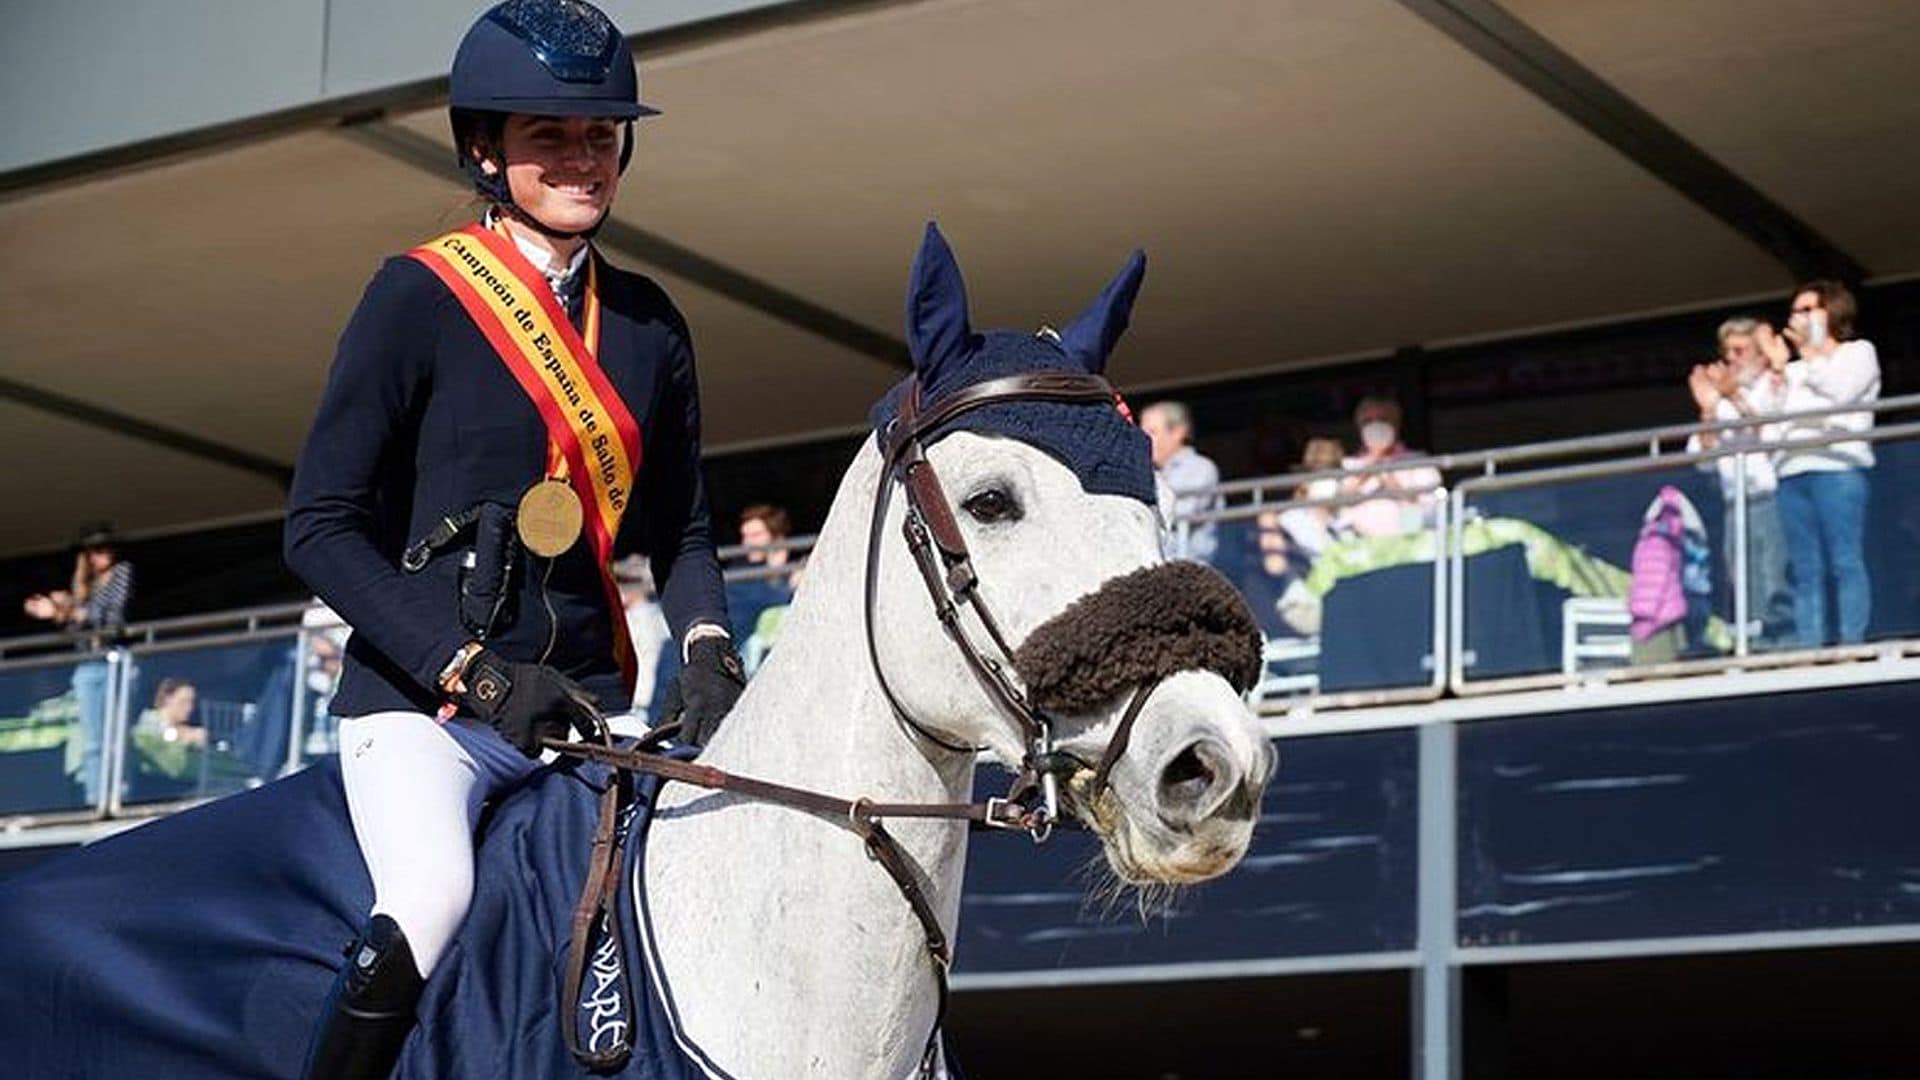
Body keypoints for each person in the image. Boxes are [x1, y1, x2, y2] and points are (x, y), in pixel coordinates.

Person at [280, 3, 744, 1075]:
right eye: (553, 135)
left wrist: (712, 644)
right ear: (484, 149)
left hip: (582, 709)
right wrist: (473, 676)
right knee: (431, 899)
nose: (586, 157)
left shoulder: (648, 323)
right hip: (425, 714)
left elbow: (680, 528)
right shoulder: (417, 296)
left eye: (601, 136)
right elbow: (318, 528)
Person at [1760, 280, 1880, 647]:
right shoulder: (1792, 371)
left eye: (1807, 309)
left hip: (1838, 469)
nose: (1798, 318)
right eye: (1795, 311)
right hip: (1791, 473)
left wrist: (1810, 355)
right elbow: (1768, 422)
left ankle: (1850, 642)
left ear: (1832, 311)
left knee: (1845, 560)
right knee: (1804, 568)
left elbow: (1842, 394)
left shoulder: (1858, 353)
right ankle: (1809, 646)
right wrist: (1779, 372)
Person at [1686, 318, 1793, 644]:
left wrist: (1734, 397)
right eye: (1727, 352)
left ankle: (1785, 648)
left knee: (1775, 580)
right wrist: (1708, 412)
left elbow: (1771, 434)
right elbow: (1701, 459)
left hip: (1771, 498)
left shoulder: (1775, 386)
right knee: (1743, 584)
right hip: (1735, 504)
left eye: (1740, 350)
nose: (1732, 359)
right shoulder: (1722, 401)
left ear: (1761, 356)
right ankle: (1757, 651)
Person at [22, 524, 133, 807]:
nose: (100, 555)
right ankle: (96, 798)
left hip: (114, 662)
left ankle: (117, 794)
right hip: (88, 664)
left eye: (104, 548)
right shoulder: (87, 586)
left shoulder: (121, 573)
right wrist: (59, 613)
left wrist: (65, 609)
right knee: (93, 738)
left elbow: (111, 616)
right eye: (94, 550)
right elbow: (78, 630)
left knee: (116, 734)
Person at [1338, 397, 1441, 538]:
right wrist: (1369, 467)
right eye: (1368, 422)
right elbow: (1340, 501)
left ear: (1396, 425)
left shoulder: (1418, 461)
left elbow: (1430, 505)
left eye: (1382, 421)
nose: (1375, 427)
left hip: (1408, 539)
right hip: (1359, 543)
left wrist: (1386, 475)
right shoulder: (1348, 464)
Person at [1140, 400, 1222, 562]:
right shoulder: (1152, 472)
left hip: (1191, 572)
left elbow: (1177, 514)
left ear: (1178, 432)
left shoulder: (1200, 468)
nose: (1144, 440)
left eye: (1152, 432)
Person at [134, 678, 205, 746]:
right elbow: (155, 739)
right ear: (167, 699)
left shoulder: (186, 729)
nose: (189, 708)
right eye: (183, 701)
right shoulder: (148, 721)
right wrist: (182, 735)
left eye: (191, 702)